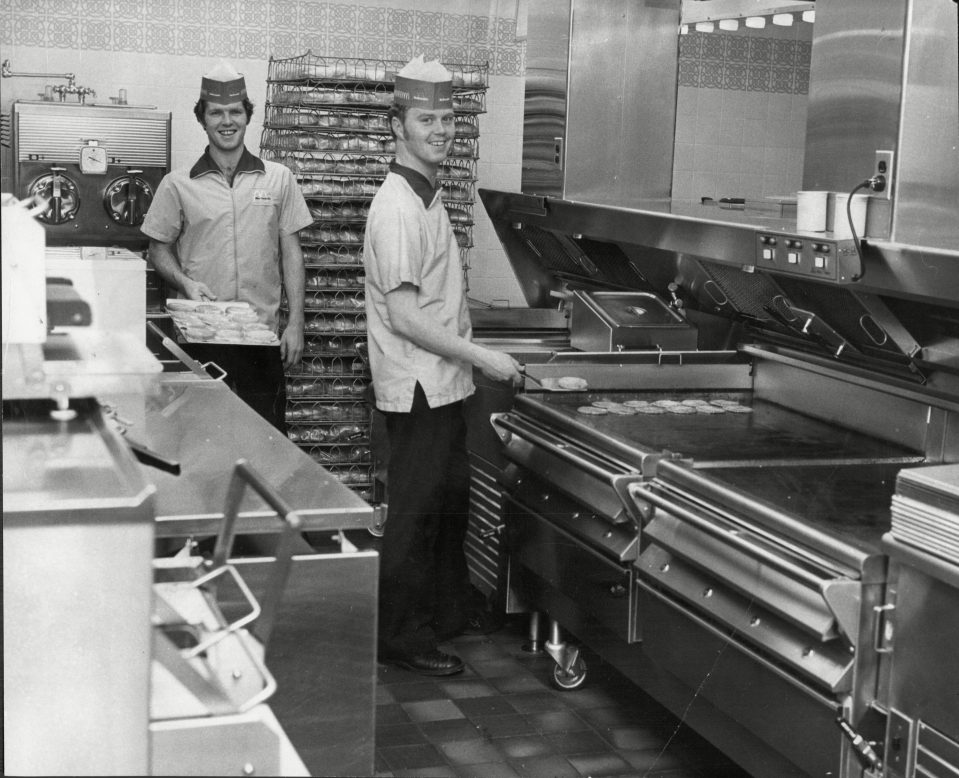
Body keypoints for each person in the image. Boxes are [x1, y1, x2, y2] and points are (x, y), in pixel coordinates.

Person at [364, 56, 523, 676]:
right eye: (426, 118)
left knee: (449, 501)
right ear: (398, 127)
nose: (442, 129)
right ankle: (401, 636)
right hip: (418, 385)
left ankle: (444, 612)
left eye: (449, 117)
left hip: (444, 384)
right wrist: (483, 356)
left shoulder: (428, 196)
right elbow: (404, 316)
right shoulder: (398, 206)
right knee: (416, 511)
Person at [143, 61, 313, 432]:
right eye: (216, 112)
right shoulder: (178, 184)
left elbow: (291, 253)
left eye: (235, 111)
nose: (227, 120)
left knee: (266, 441)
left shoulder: (279, 179)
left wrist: (295, 321)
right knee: (199, 440)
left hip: (261, 335)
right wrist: (185, 282)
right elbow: (157, 249)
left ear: (247, 116)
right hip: (200, 336)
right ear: (202, 119)